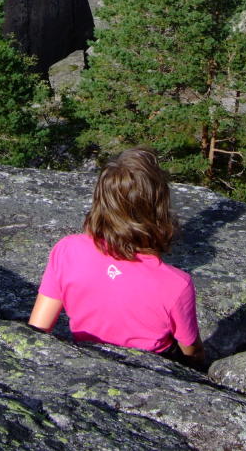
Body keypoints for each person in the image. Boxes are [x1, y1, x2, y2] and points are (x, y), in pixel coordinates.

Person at [29, 148, 204, 367]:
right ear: (158, 208)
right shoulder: (177, 284)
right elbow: (192, 351)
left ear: (100, 201)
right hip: (153, 367)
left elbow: (38, 328)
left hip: (87, 357)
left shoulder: (67, 250)